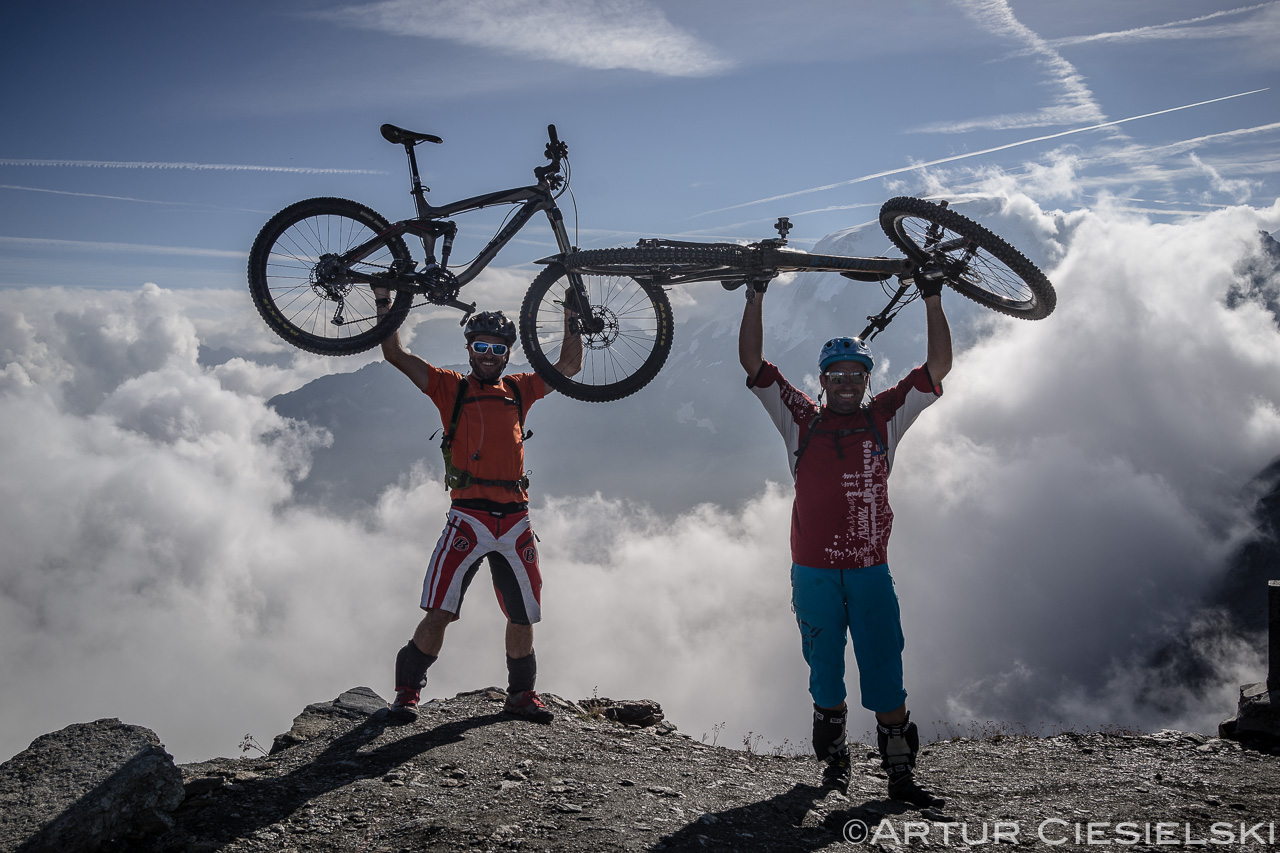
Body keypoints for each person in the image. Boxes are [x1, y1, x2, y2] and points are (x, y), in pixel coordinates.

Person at [737, 274, 951, 806]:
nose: (848, 383)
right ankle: (835, 769)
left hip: (870, 571)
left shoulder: (885, 419)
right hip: (813, 574)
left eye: (857, 375)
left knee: (885, 672)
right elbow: (755, 367)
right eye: (838, 375)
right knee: (826, 676)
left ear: (867, 380)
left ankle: (899, 775)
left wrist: (933, 296)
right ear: (824, 380)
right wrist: (756, 295)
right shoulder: (800, 422)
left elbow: (937, 369)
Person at [372, 285, 582, 725]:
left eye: (498, 348)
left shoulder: (520, 389)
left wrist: (571, 313)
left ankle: (521, 696)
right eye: (481, 346)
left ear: (508, 353)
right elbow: (396, 354)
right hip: (468, 516)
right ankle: (407, 693)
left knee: (523, 614)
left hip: (516, 520)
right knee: (440, 610)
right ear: (469, 349)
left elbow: (569, 366)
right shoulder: (450, 388)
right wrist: (384, 301)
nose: (489, 354)